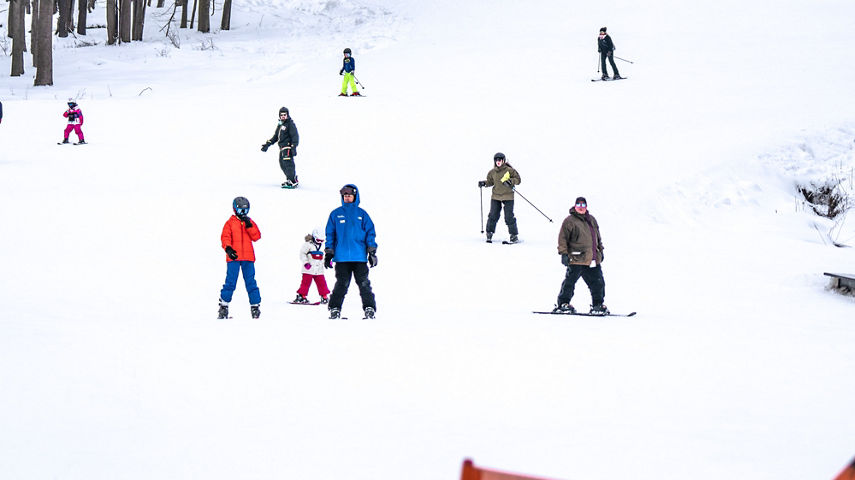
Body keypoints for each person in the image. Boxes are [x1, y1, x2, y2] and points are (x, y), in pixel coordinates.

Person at [324, 184, 377, 319]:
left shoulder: (362, 214)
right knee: (342, 284)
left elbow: (370, 233)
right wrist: (329, 253)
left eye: (349, 195)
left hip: (359, 257)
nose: (347, 198)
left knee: (364, 284)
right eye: (345, 196)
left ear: (355, 196)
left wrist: (371, 252)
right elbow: (330, 234)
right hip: (341, 258)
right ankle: (335, 308)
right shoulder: (335, 214)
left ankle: (369, 308)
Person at [553, 196, 609, 315]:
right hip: (576, 259)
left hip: (592, 259)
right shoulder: (570, 221)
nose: (581, 207)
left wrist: (601, 251)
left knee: (598, 283)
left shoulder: (591, 220)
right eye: (579, 205)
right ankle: (563, 303)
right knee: (570, 283)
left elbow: (597, 237)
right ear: (575, 206)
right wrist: (563, 253)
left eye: (583, 205)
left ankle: (597, 304)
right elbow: (562, 238)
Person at [218, 196, 262, 319]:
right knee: (231, 282)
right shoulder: (230, 223)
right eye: (241, 211)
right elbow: (225, 237)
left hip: (248, 258)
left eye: (246, 211)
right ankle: (224, 305)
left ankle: (255, 306)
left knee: (251, 282)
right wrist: (228, 248)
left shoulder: (250, 222)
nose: (243, 213)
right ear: (234, 209)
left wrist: (249, 226)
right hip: (234, 258)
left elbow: (257, 236)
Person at [477, 152, 521, 243]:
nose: (498, 162)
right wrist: (484, 183)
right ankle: (489, 233)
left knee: (509, 216)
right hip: (496, 196)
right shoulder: (492, 172)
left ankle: (514, 235)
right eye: (496, 160)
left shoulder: (510, 170)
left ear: (503, 161)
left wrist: (511, 181)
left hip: (508, 196)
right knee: (493, 215)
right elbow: (490, 182)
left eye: (500, 160)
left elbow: (518, 180)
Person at [261, 107, 300, 188]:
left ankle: (292, 181)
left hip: (287, 147)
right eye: (281, 115)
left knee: (288, 164)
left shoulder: (290, 124)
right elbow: (276, 136)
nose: (283, 116)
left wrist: (293, 146)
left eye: (284, 115)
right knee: (282, 164)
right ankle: (291, 179)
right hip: (282, 148)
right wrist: (267, 144)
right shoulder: (281, 124)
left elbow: (295, 136)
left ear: (287, 115)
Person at [293, 227, 331, 304]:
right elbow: (302, 254)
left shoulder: (323, 246)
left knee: (322, 283)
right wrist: (306, 263)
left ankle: (324, 296)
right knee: (306, 283)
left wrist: (328, 261)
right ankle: (302, 296)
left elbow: (325, 255)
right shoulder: (308, 245)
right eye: (318, 240)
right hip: (308, 269)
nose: (320, 242)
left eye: (322, 241)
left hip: (319, 270)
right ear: (314, 237)